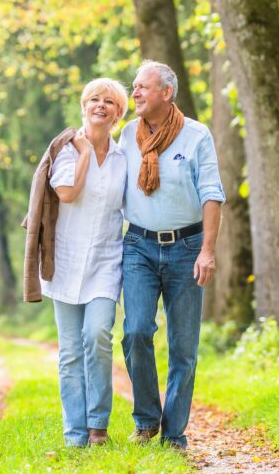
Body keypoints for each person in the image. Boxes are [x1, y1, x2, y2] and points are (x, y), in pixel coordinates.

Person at [119, 60, 225, 450]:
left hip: (187, 249)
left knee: (183, 347)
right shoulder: (127, 136)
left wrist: (208, 251)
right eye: (134, 87)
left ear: (166, 92)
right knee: (135, 332)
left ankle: (174, 433)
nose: (136, 94)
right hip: (139, 247)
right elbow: (105, 184)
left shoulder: (197, 136)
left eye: (143, 87)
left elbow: (212, 194)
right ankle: (146, 419)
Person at [38, 78, 128, 447]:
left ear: (119, 113)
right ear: (83, 106)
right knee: (71, 351)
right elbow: (68, 193)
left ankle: (98, 425)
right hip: (66, 261)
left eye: (109, 101)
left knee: (98, 335)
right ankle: (75, 435)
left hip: (107, 261)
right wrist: (86, 153)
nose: (101, 105)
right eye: (94, 99)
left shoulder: (125, 158)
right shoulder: (66, 151)